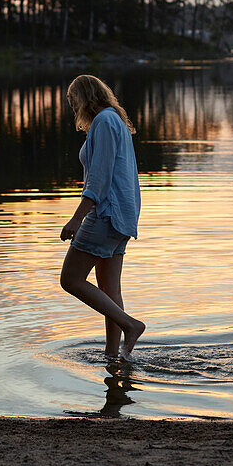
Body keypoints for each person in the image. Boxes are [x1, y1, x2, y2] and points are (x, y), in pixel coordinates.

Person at [59, 75, 146, 358]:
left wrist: (77, 219)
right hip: (120, 216)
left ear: (85, 98)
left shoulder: (105, 122)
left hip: (107, 215)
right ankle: (113, 356)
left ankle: (130, 325)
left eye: (73, 102)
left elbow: (99, 179)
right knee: (109, 289)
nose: (73, 108)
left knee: (70, 279)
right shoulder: (111, 120)